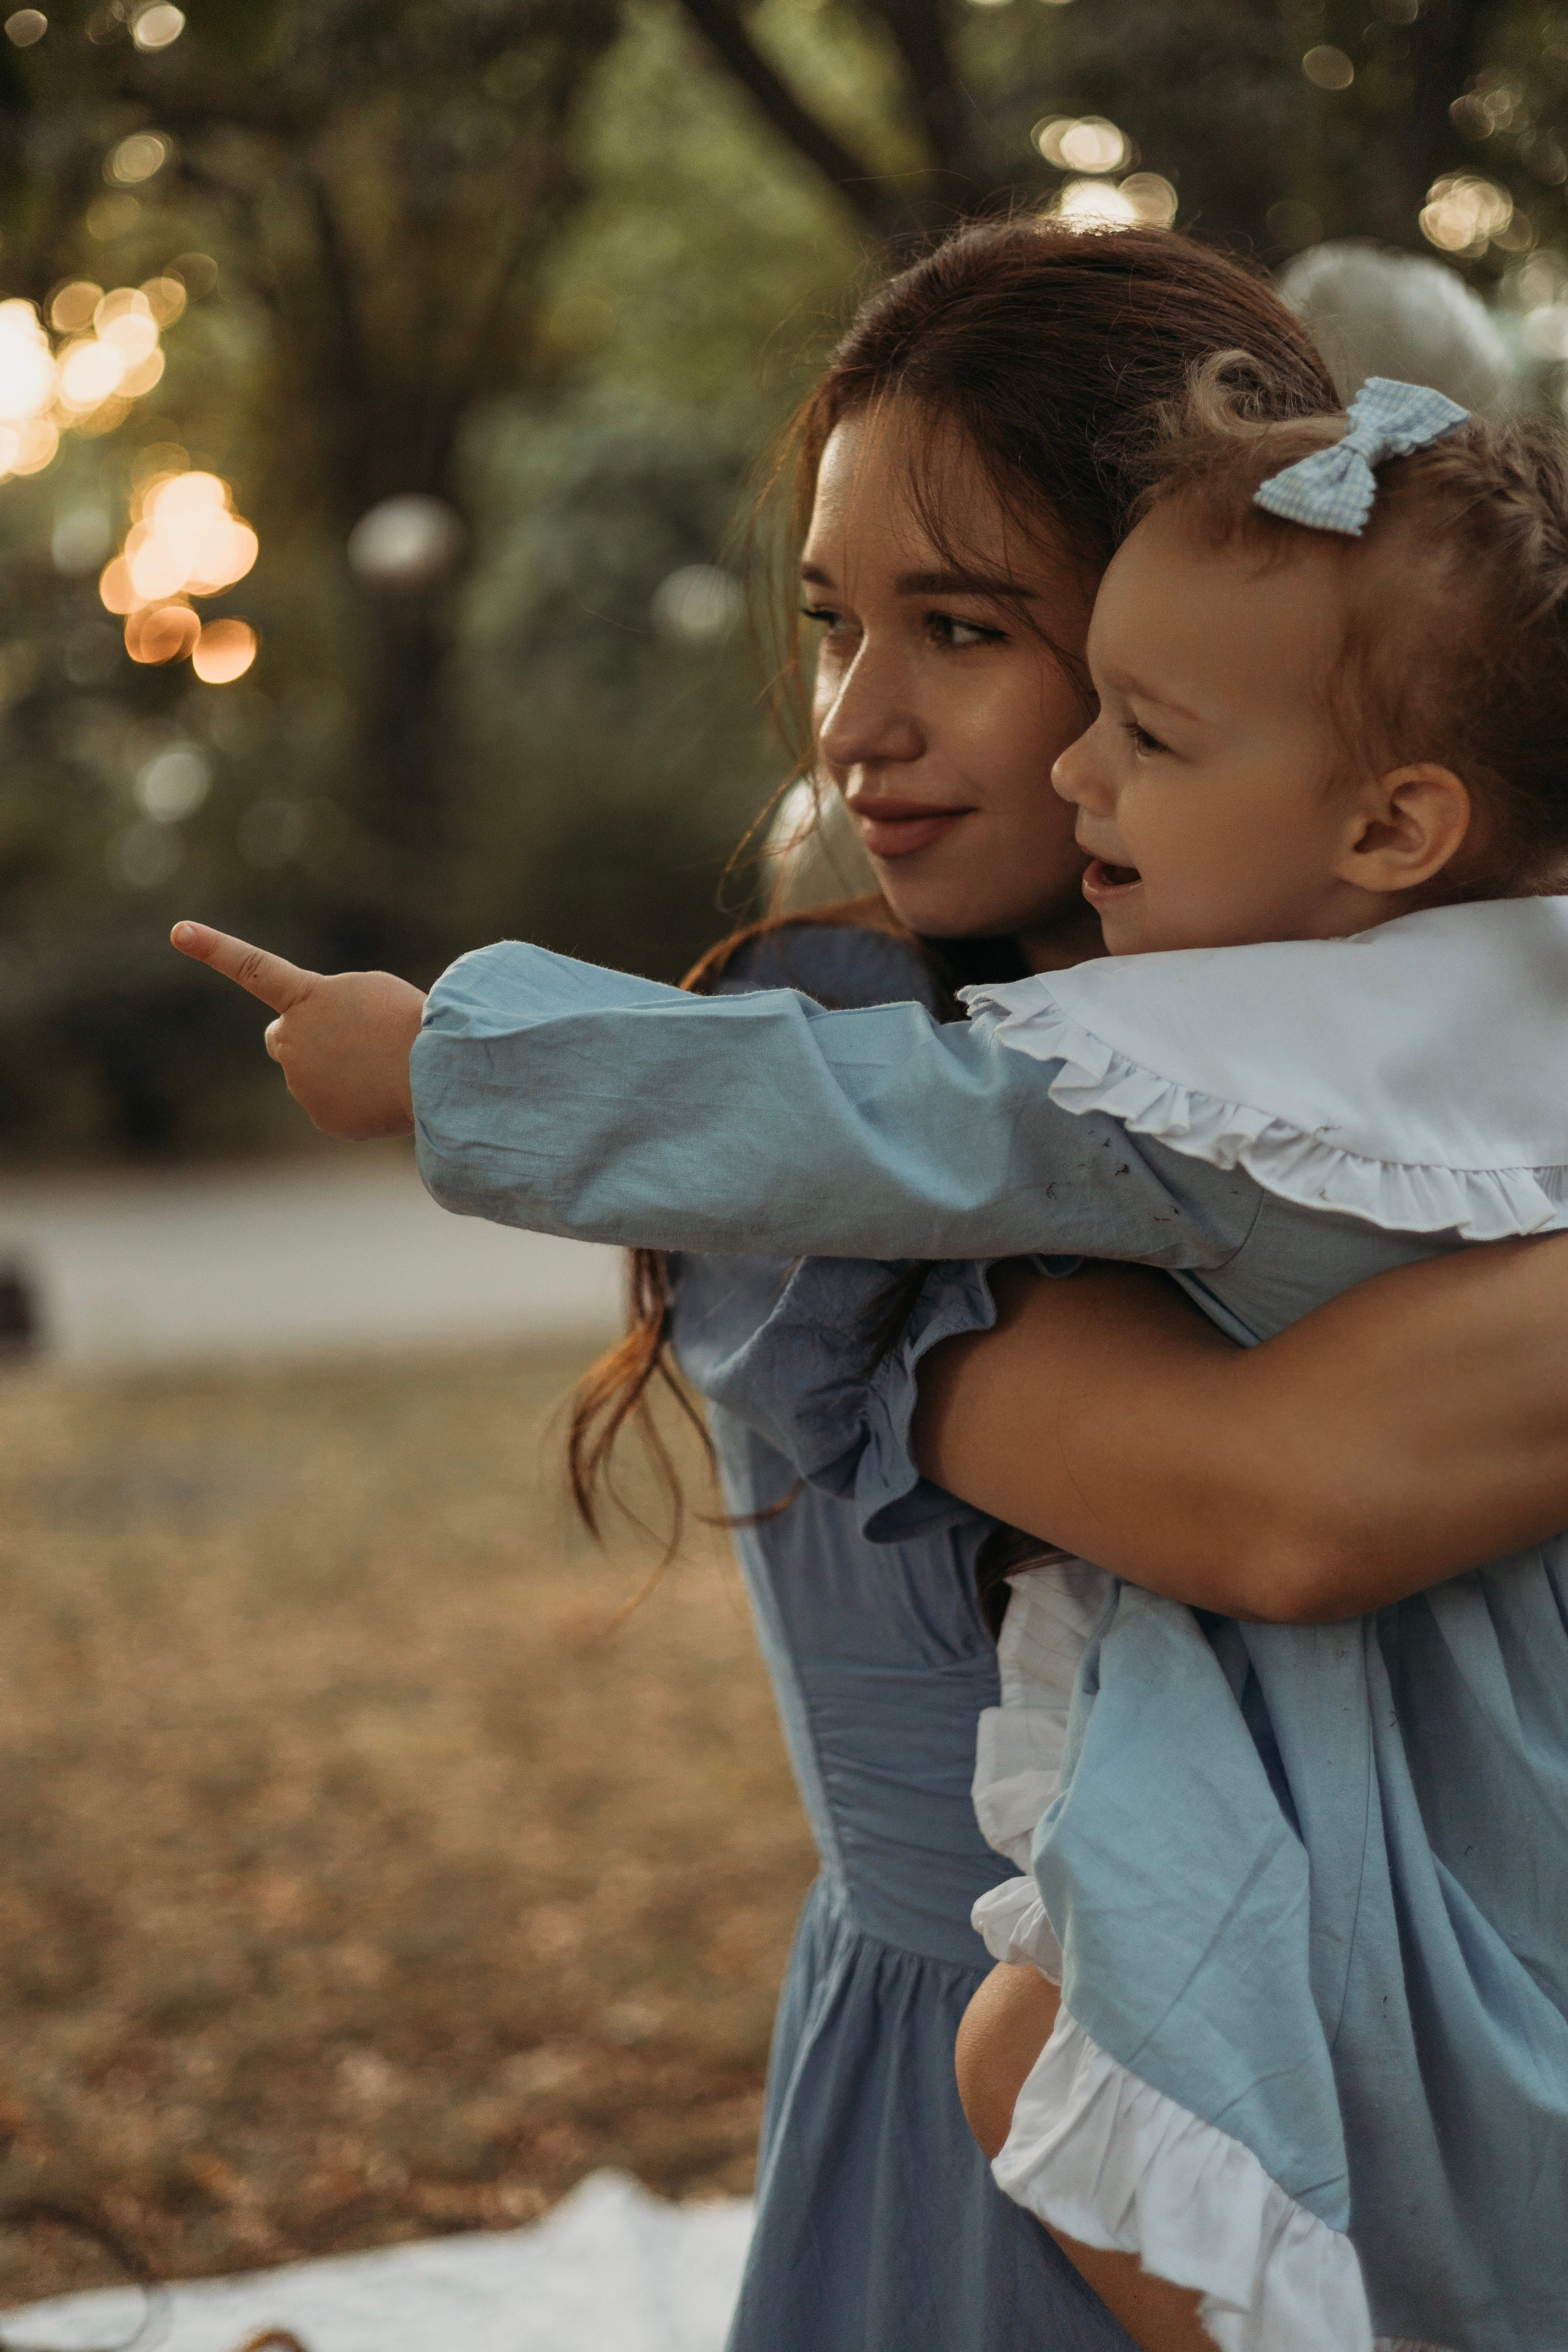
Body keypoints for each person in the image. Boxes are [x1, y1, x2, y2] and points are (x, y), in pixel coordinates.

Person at [169, 222, 1568, 2352]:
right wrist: (453, 1051)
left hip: (1436, 2001)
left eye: (966, 628)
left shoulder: (1360, 1021)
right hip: (1032, 2114)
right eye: (834, 625)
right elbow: (1286, 1497)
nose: (856, 726)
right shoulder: (834, 1049)